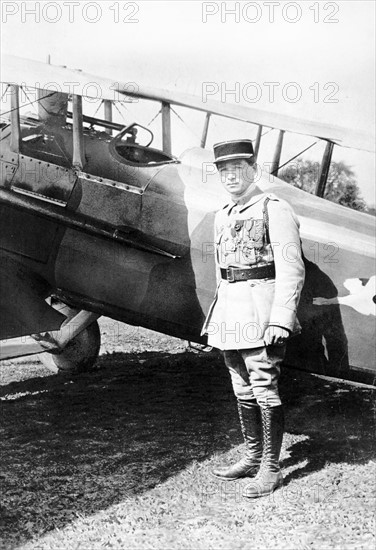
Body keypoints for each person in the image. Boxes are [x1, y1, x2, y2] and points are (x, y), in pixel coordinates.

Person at [202, 139, 305, 498]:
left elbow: (292, 269)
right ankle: (252, 456)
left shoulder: (274, 208)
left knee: (263, 386)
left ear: (253, 170)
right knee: (240, 386)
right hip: (232, 310)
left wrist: (281, 318)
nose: (230, 176)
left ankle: (271, 469)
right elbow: (222, 272)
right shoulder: (223, 213)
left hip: (261, 310)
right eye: (223, 170)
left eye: (237, 169)